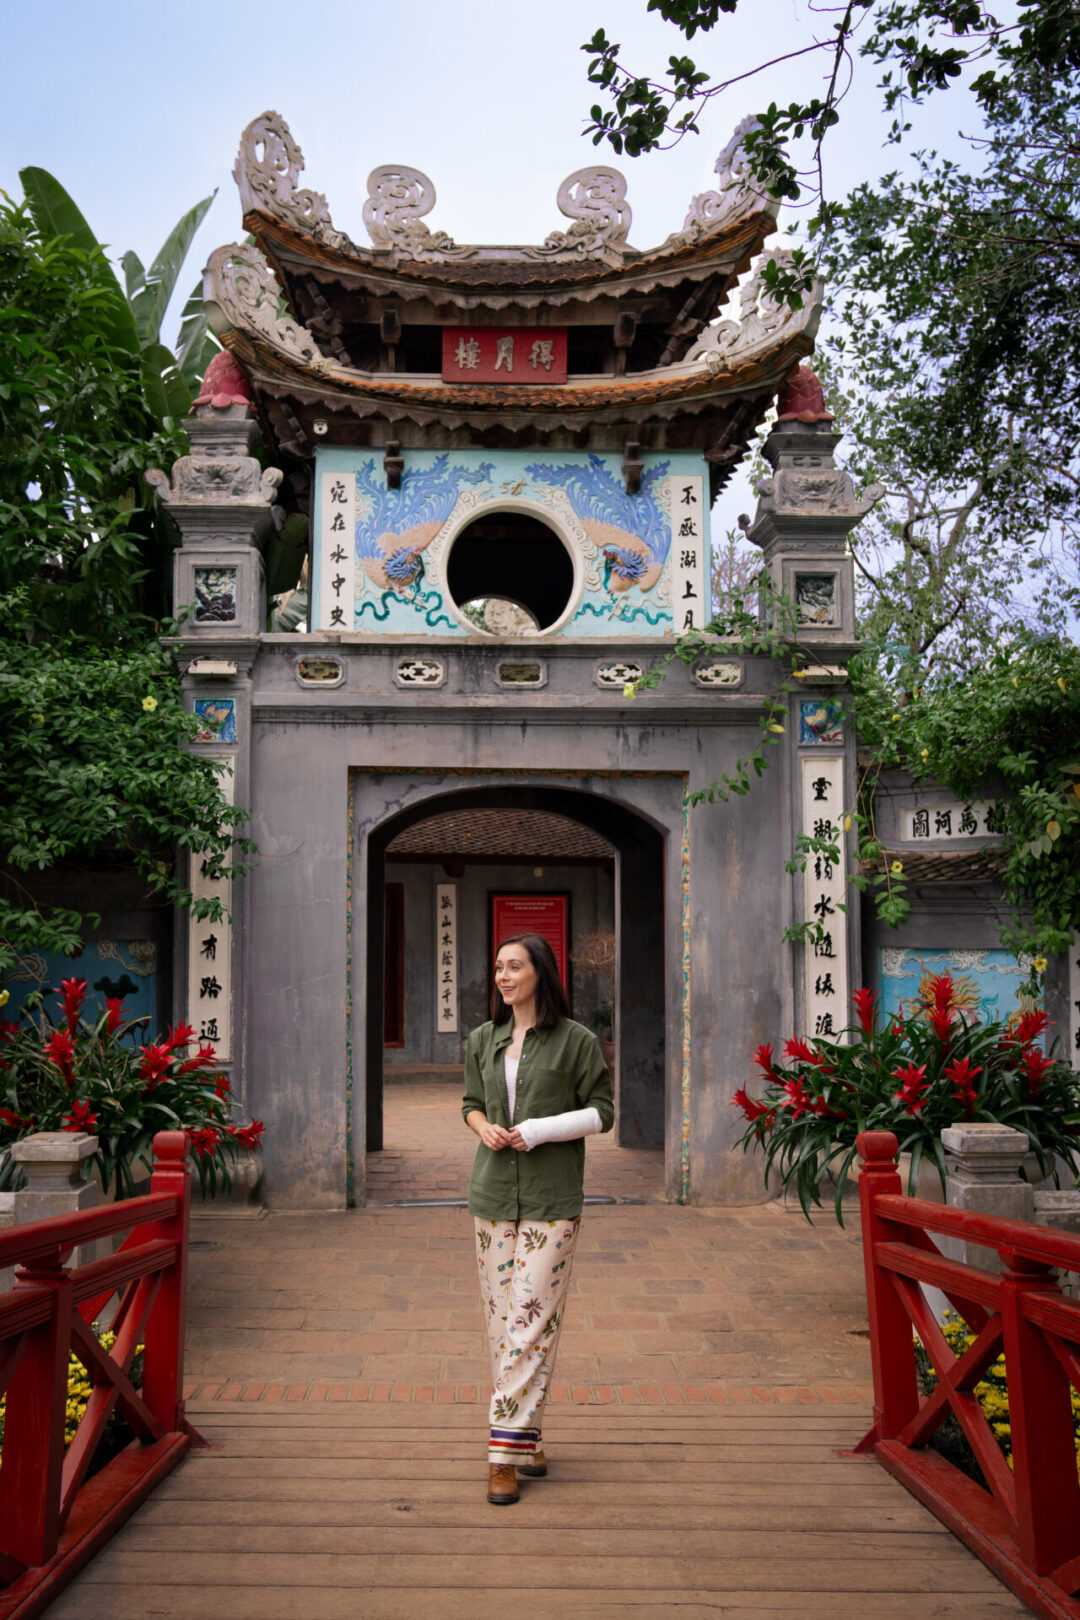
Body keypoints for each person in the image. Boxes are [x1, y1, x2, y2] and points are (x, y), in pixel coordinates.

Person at [462, 932, 614, 1506]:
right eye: (498, 967)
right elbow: (469, 1103)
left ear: (540, 973)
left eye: (514, 967)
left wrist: (541, 1128)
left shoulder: (576, 1041)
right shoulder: (483, 1039)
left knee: (528, 1320)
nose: (503, 976)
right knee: (506, 1325)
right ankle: (527, 1434)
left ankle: (502, 1456)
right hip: (492, 1195)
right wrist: (485, 1128)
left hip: (552, 1200)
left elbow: (604, 1112)